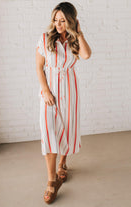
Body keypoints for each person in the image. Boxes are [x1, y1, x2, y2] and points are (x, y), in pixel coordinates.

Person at [36, 1, 91, 204]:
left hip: (70, 91)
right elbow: (39, 68)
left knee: (67, 130)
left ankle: (63, 164)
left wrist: (79, 32)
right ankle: (51, 181)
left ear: (71, 21)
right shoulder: (44, 38)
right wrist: (46, 91)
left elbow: (86, 55)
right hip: (49, 94)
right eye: (55, 20)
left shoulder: (75, 41)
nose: (58, 24)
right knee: (49, 133)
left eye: (62, 20)